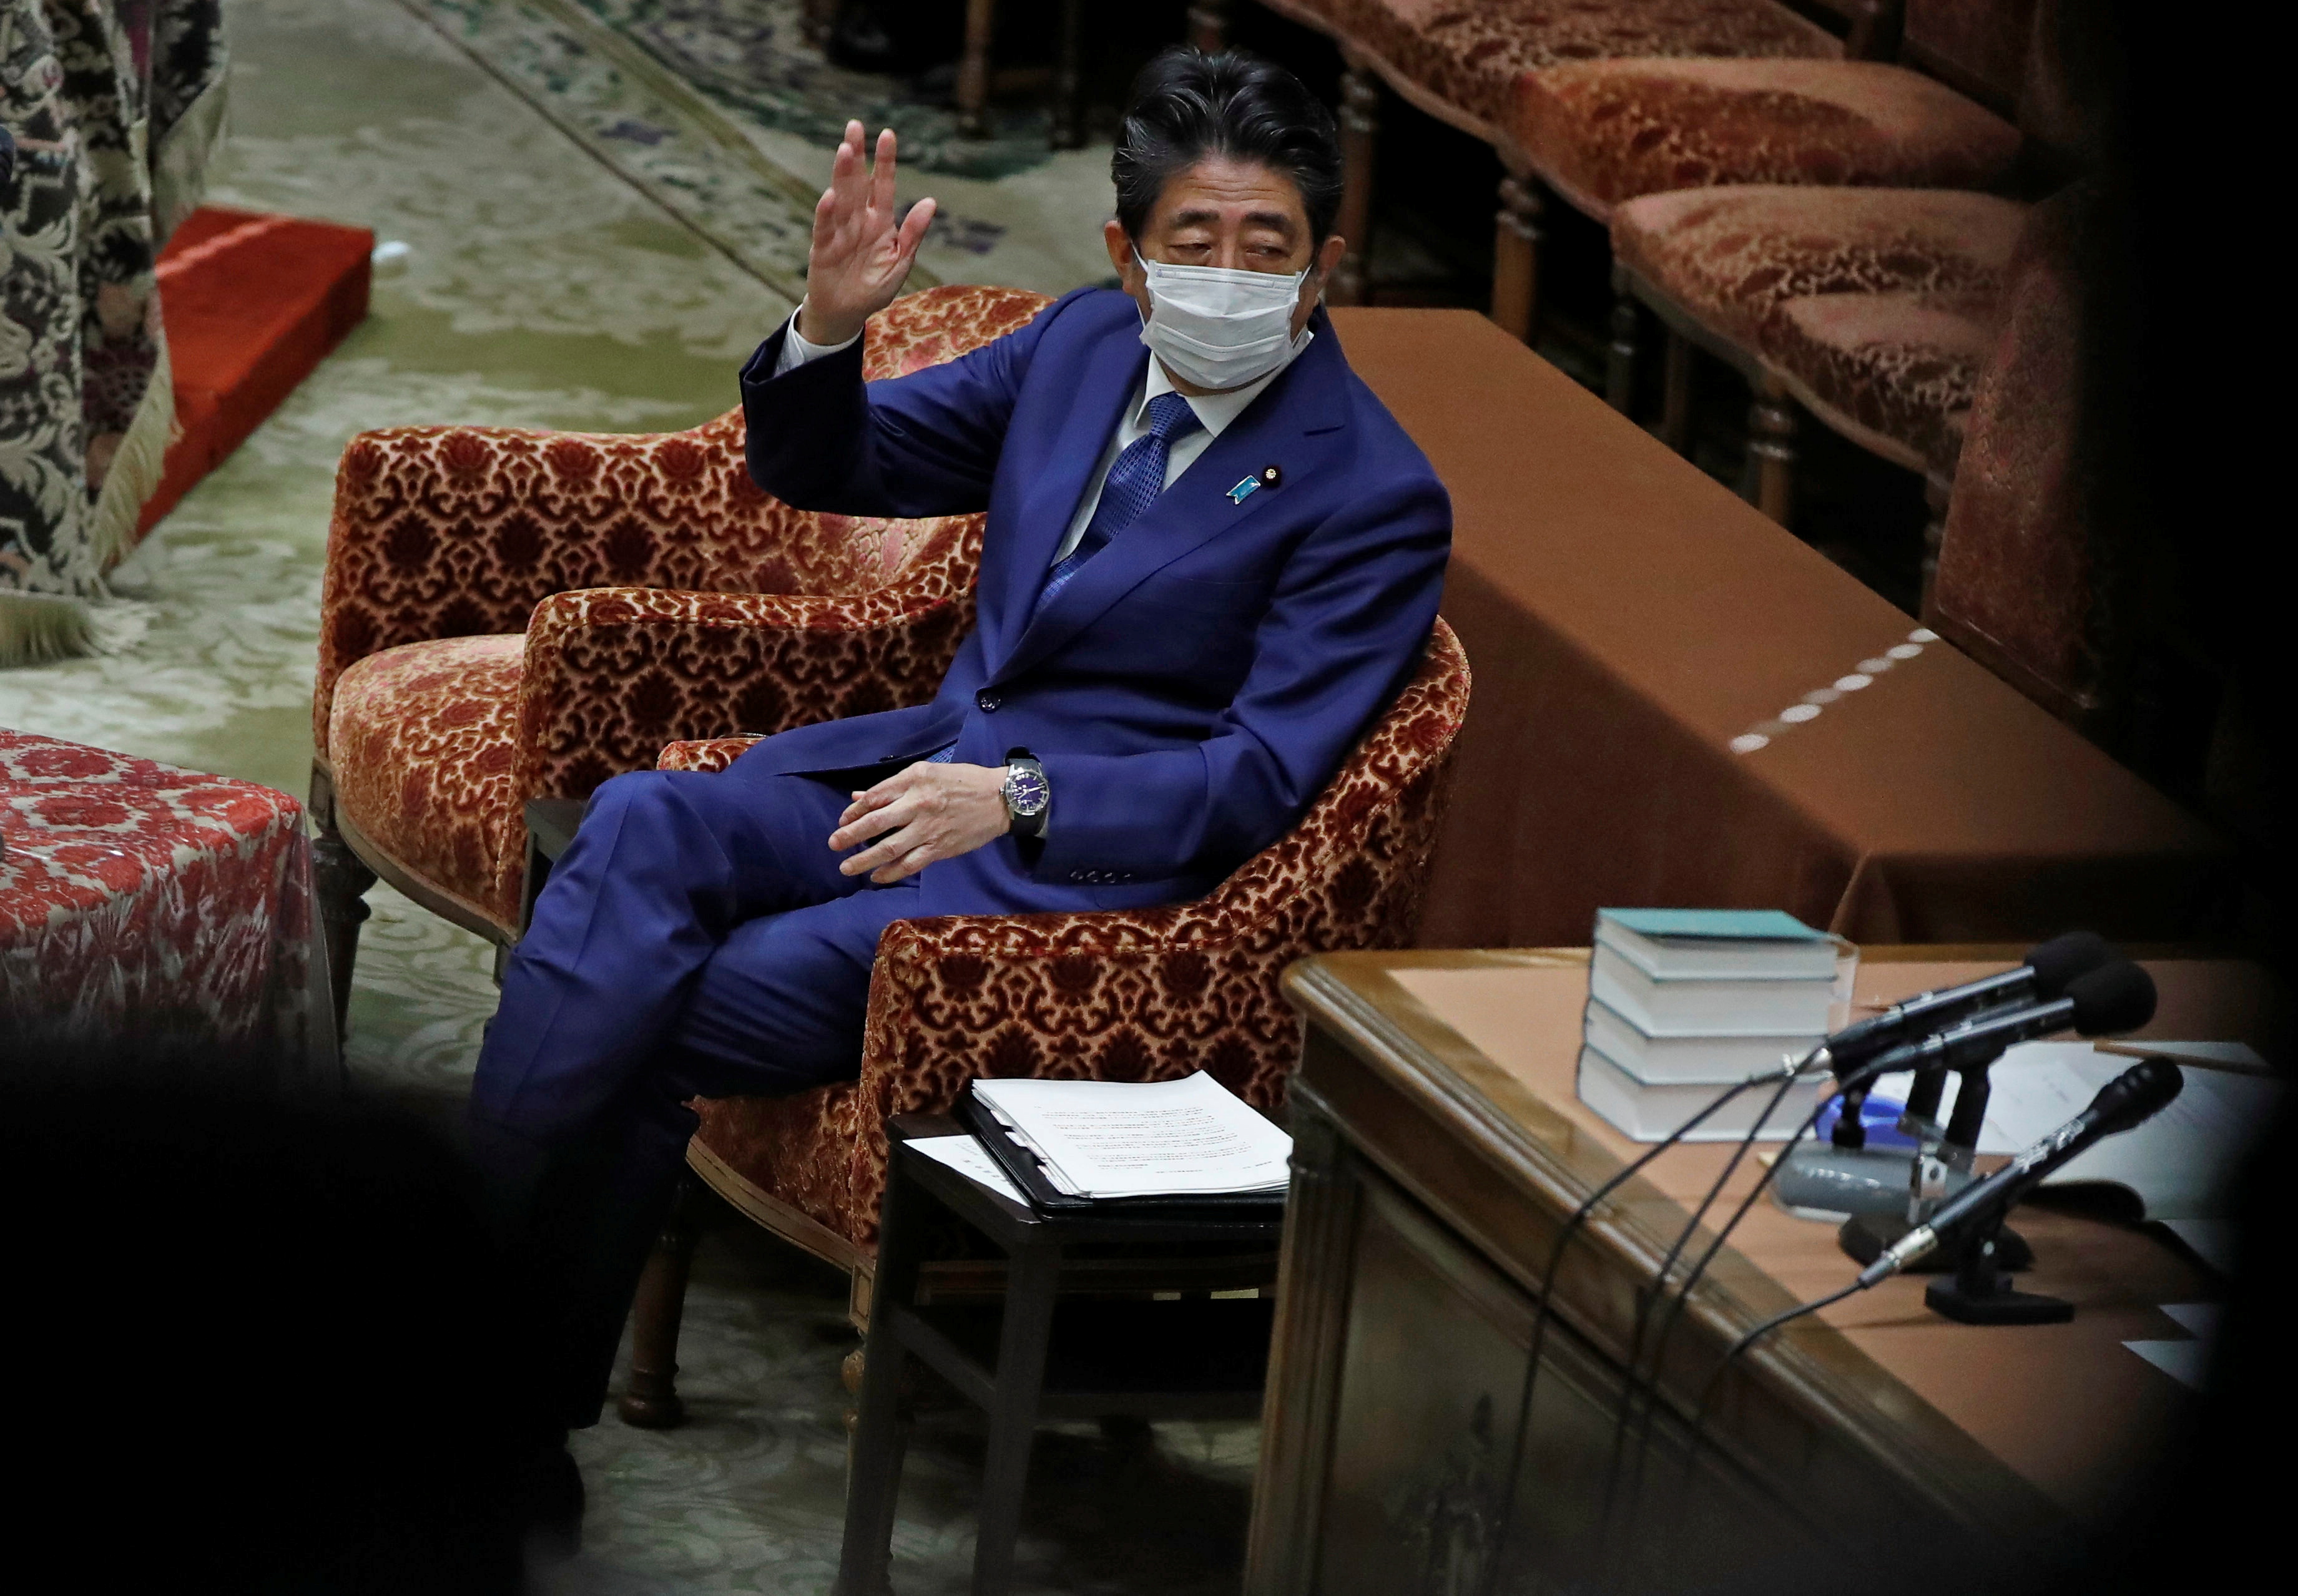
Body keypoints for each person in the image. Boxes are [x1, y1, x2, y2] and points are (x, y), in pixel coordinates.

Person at [466, 46, 1451, 1512]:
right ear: (1129, 255)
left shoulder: (1369, 492)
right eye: (1196, 241)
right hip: (906, 775)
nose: (1231, 275)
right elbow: (834, 463)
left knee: (637, 998)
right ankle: (466, 1370)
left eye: (1270, 248)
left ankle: (478, 1406)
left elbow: (1256, 778)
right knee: (642, 820)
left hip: (1062, 882)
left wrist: (1025, 799)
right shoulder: (1075, 348)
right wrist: (825, 330)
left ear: (1320, 271)